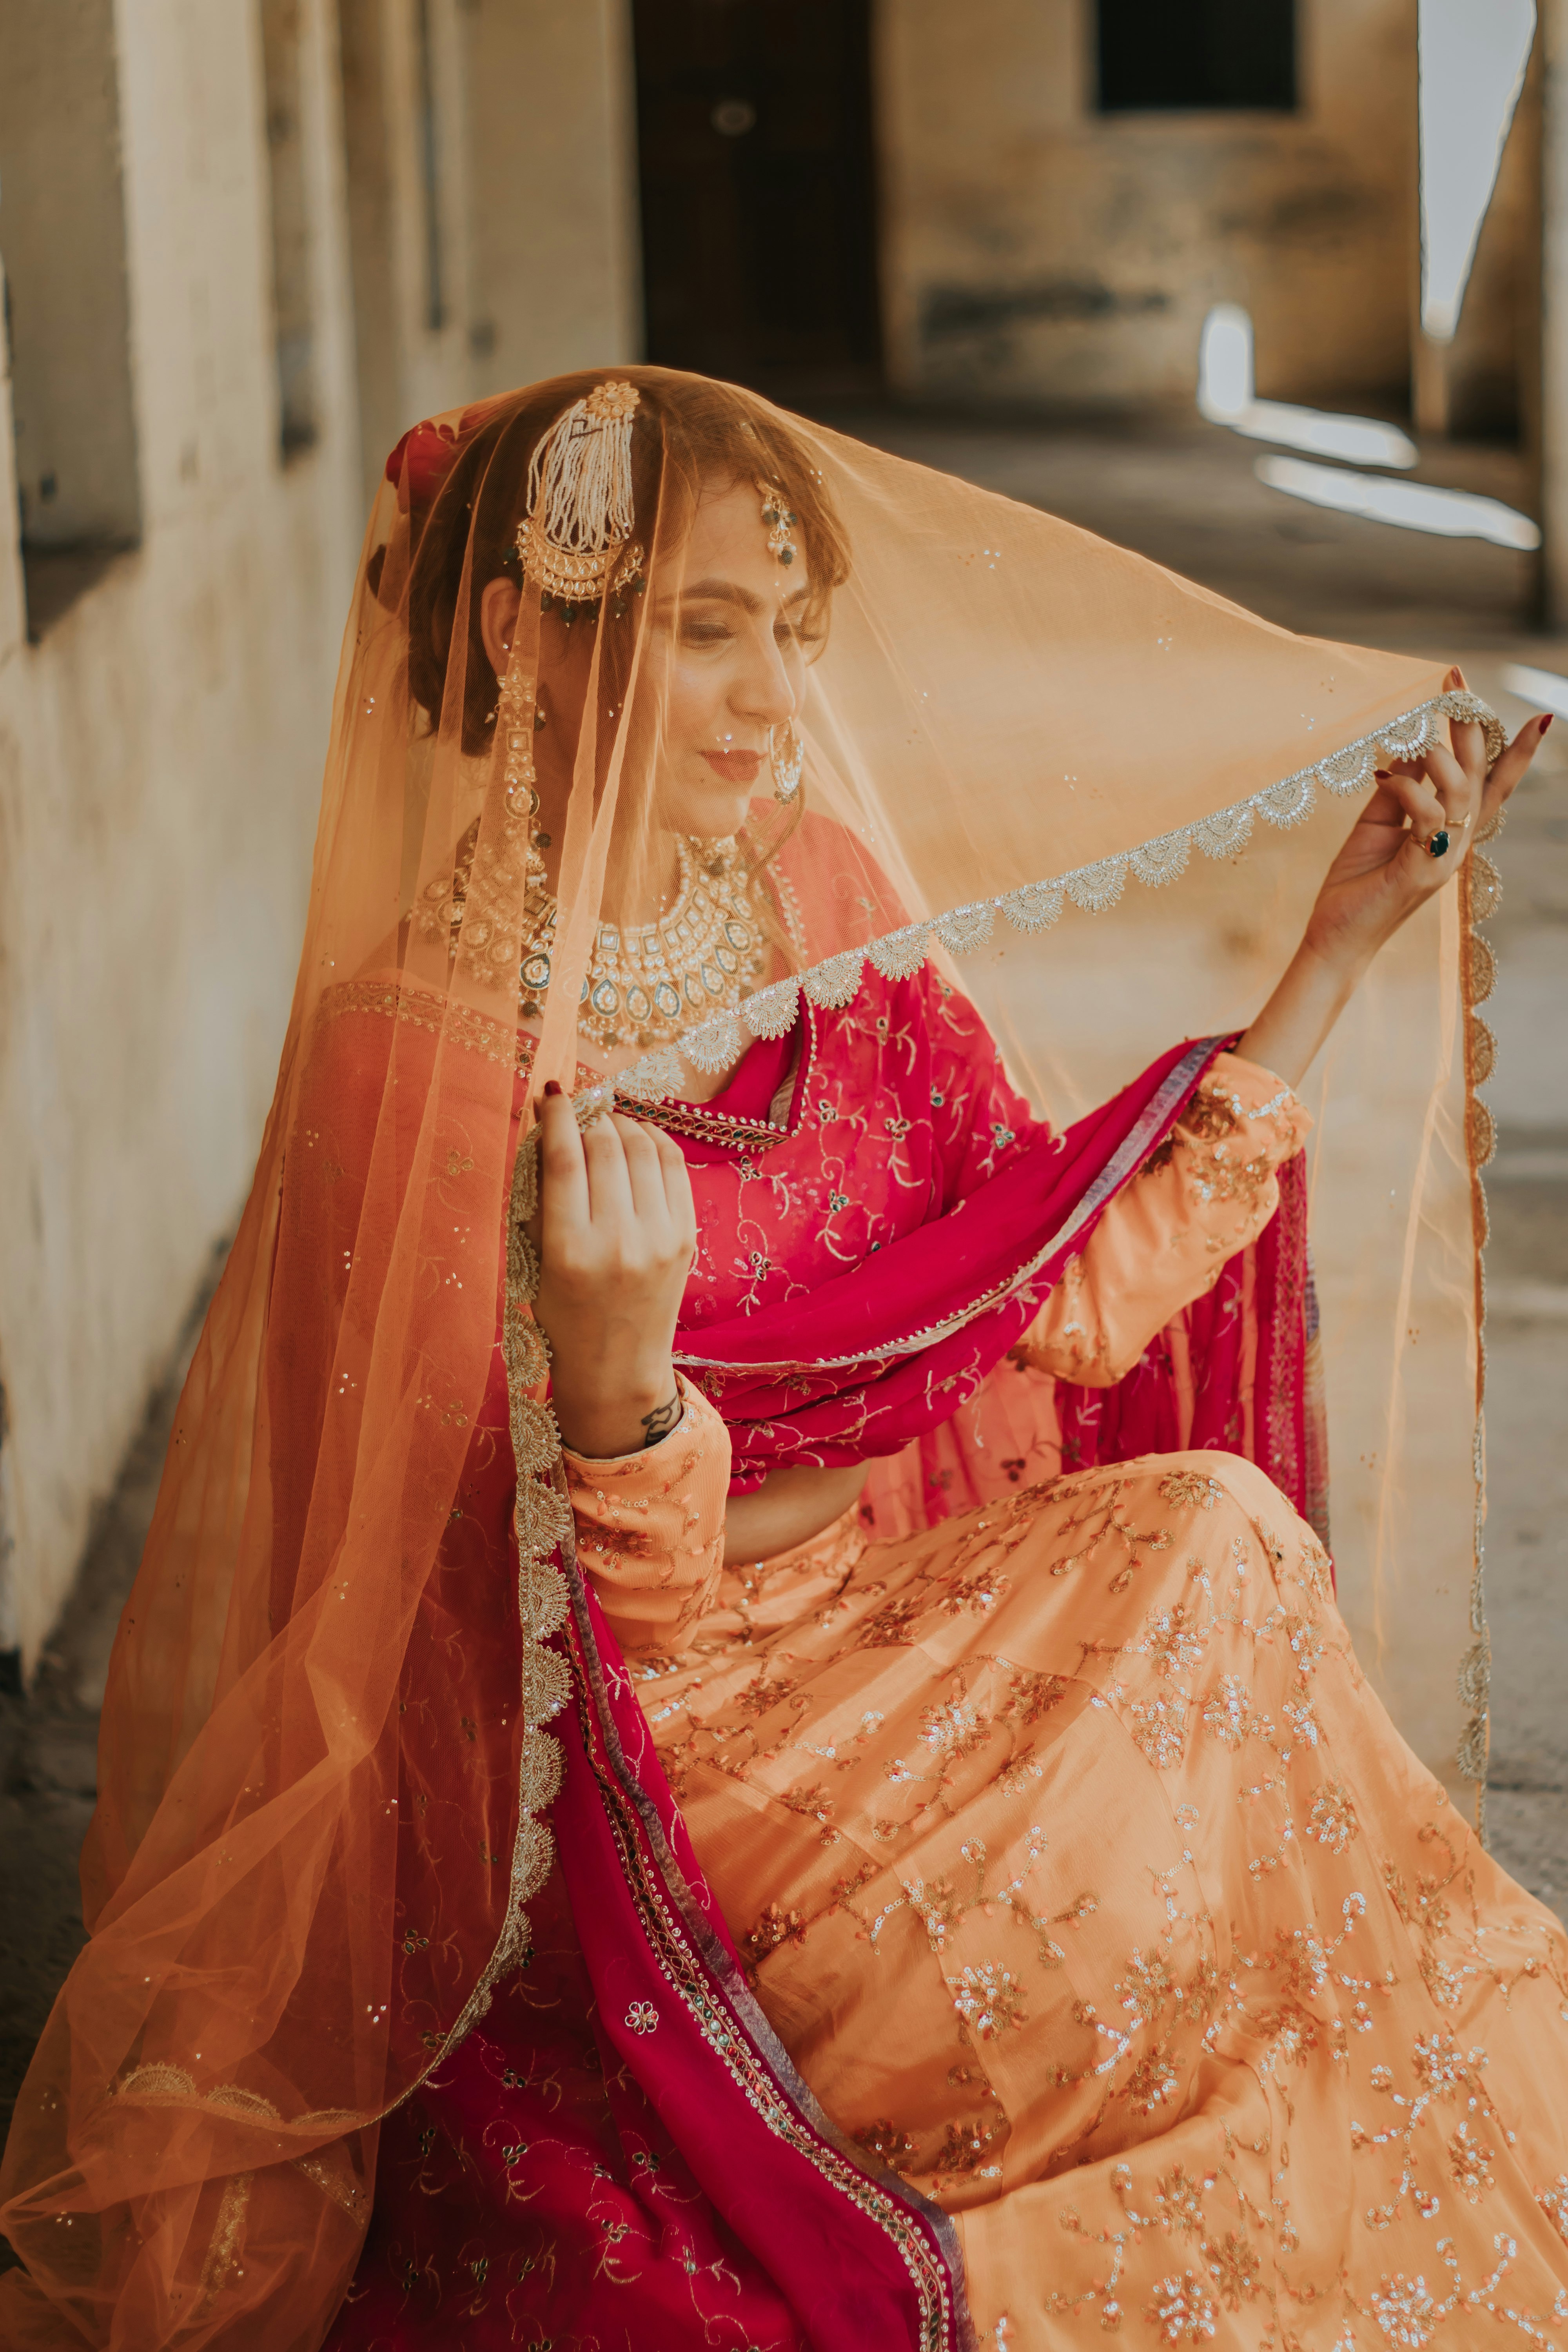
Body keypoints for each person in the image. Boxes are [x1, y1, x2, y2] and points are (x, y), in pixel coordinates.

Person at [3, 370, 1563, 2352]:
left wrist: (1331, 951)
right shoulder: (425, 1060)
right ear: (521, 634)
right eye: (706, 629)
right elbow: (504, 1628)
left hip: (867, 1612)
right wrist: (630, 1398)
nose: (771, 699)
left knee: (1214, 1533)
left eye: (790, 634)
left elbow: (1047, 1291)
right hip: (648, 1773)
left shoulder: (816, 903)